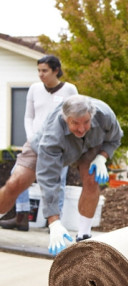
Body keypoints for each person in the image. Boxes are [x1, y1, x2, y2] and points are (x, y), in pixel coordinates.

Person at [0, 95, 123, 255]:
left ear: (91, 115)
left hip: (89, 146)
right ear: (65, 119)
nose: (81, 128)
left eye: (86, 122)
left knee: (92, 180)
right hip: (44, 149)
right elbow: (49, 179)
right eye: (75, 123)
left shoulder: (105, 115)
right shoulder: (52, 135)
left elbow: (115, 138)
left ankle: (83, 237)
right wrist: (54, 222)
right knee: (16, 183)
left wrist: (102, 156)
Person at [0, 55, 77, 231]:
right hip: (35, 141)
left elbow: (75, 115)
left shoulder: (70, 90)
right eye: (39, 71)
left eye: (45, 71)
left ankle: (55, 223)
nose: (40, 74)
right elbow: (29, 116)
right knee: (16, 175)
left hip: (58, 145)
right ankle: (21, 216)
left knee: (58, 181)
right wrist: (31, 136)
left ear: (55, 71)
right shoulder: (34, 89)